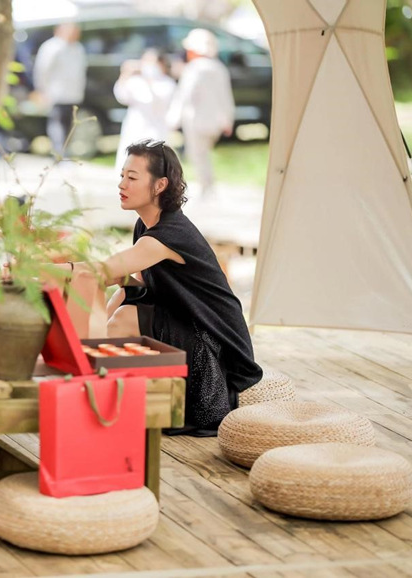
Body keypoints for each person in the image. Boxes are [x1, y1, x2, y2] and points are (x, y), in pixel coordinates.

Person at [71, 139, 262, 436]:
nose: (122, 183)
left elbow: (102, 271)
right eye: (122, 175)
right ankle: (94, 385)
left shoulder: (169, 234)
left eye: (132, 178)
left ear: (160, 185)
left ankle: (97, 405)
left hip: (212, 346)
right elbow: (133, 287)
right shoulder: (146, 226)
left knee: (124, 317)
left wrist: (36, 269)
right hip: (187, 323)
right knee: (124, 300)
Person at [166, 28, 234, 199]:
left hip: (196, 120)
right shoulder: (219, 68)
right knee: (204, 154)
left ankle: (206, 187)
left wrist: (173, 119)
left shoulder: (194, 69)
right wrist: (228, 119)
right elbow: (226, 97)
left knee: (198, 155)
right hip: (215, 122)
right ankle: (207, 186)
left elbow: (184, 96)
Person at [113, 49, 176, 173]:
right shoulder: (136, 80)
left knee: (151, 161)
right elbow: (122, 96)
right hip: (135, 125)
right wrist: (125, 74)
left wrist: (149, 81)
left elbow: (157, 102)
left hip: (156, 127)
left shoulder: (168, 83)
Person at [32, 23, 87, 157]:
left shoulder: (78, 48)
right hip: (56, 95)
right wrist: (41, 90)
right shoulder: (51, 47)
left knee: (70, 125)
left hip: (74, 95)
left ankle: (65, 152)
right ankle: (59, 155)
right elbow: (42, 71)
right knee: (57, 126)